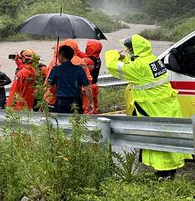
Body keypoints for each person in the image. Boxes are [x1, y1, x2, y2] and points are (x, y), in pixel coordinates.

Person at [105, 34, 188, 178]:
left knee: (159, 142)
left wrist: (111, 54)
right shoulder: (153, 59)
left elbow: (114, 67)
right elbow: (135, 66)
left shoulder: (140, 67)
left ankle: (163, 176)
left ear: (135, 50)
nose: (128, 52)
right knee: (171, 139)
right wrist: (125, 59)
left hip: (154, 108)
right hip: (167, 106)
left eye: (129, 49)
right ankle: (170, 173)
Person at [47, 45, 93, 114]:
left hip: (61, 102)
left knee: (61, 123)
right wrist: (91, 103)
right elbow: (87, 88)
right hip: (76, 102)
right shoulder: (80, 70)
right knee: (76, 123)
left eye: (58, 55)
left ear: (62, 56)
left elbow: (49, 86)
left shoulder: (56, 69)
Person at [82, 40, 103, 114]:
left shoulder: (87, 61)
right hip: (94, 86)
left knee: (87, 108)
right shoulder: (98, 59)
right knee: (94, 106)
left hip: (87, 88)